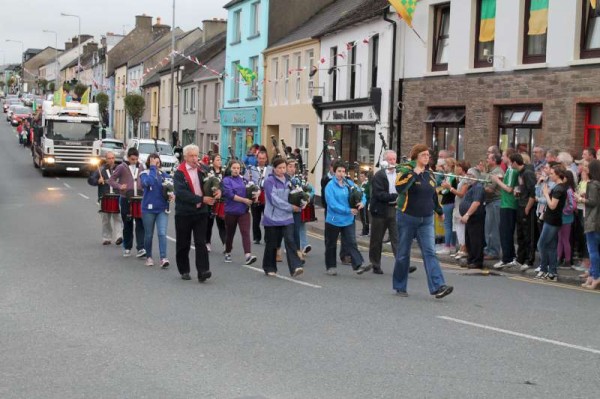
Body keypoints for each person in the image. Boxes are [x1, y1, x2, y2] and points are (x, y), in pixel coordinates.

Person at [393, 144, 454, 298]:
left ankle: (438, 286)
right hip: (407, 216)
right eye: (423, 155)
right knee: (403, 253)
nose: (427, 157)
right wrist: (414, 173)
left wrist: (439, 211)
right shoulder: (405, 169)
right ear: (416, 156)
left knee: (430, 252)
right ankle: (400, 286)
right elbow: (399, 188)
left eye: (428, 155)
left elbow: (433, 195)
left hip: (426, 219)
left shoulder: (429, 173)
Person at [173, 144, 218, 282]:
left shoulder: (203, 168)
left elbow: (214, 181)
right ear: (185, 157)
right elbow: (181, 194)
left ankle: (203, 271)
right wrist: (201, 199)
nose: (194, 158)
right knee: (183, 243)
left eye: (195, 155)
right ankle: (184, 270)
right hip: (184, 213)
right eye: (191, 156)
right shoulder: (179, 172)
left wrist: (217, 189)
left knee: (200, 242)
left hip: (200, 212)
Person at [368, 150, 417, 275]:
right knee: (376, 239)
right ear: (385, 161)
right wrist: (395, 196)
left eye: (394, 159)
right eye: (390, 159)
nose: (392, 162)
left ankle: (403, 265)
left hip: (394, 209)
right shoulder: (379, 175)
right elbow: (379, 194)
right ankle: (375, 264)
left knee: (398, 239)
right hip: (380, 210)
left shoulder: (400, 174)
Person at [324, 161, 371, 276]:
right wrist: (348, 210)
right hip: (334, 220)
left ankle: (358, 265)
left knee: (351, 242)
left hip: (348, 220)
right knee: (331, 244)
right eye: (339, 171)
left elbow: (362, 193)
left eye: (343, 171)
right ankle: (331, 267)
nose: (341, 174)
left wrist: (363, 203)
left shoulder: (349, 183)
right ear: (334, 172)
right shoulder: (330, 186)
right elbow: (332, 204)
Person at [262, 158, 305, 277]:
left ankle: (296, 267)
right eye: (279, 168)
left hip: (287, 218)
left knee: (290, 241)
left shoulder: (290, 180)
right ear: (274, 169)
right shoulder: (269, 181)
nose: (282, 170)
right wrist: (291, 207)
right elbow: (274, 200)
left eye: (284, 168)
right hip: (272, 218)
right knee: (272, 244)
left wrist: (302, 202)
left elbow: (297, 194)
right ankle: (269, 267)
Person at [108, 147, 146, 257]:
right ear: (128, 158)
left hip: (138, 198)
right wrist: (120, 186)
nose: (135, 161)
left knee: (140, 223)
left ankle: (141, 248)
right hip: (125, 198)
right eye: (132, 159)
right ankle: (127, 247)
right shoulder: (121, 167)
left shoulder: (141, 167)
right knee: (127, 223)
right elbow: (111, 180)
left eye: (136, 159)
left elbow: (144, 180)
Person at [222, 160, 258, 265]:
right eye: (234, 168)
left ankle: (248, 255)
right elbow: (230, 195)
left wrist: (255, 195)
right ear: (230, 169)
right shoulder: (226, 180)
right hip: (231, 211)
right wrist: (244, 200)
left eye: (238, 168)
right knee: (230, 234)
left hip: (244, 211)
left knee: (245, 232)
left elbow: (254, 188)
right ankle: (228, 252)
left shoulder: (244, 180)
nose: (236, 170)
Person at [536, 164, 568, 280]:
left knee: (541, 244)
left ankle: (544, 269)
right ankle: (552, 273)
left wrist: (545, 194)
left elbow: (552, 205)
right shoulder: (558, 186)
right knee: (551, 246)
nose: (551, 175)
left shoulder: (559, 188)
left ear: (558, 175)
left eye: (552, 174)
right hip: (553, 219)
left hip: (552, 220)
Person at [139, 153, 171, 268]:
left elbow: (171, 188)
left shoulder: (165, 175)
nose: (157, 165)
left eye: (158, 163)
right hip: (148, 209)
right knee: (149, 235)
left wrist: (173, 195)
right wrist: (152, 168)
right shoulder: (144, 174)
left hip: (162, 208)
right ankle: (149, 257)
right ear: (149, 163)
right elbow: (148, 183)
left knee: (162, 233)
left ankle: (163, 258)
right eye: (154, 163)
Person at [491, 148, 519, 269]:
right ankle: (509, 256)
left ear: (509, 157)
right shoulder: (508, 170)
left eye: (503, 155)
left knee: (506, 232)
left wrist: (497, 181)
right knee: (505, 232)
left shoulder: (512, 170)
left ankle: (507, 258)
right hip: (506, 204)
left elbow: (509, 188)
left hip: (509, 204)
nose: (502, 158)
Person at [87, 151, 123, 246]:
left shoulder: (119, 169)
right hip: (104, 197)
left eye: (112, 158)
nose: (111, 160)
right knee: (106, 219)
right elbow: (90, 180)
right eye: (109, 158)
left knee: (118, 218)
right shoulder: (101, 169)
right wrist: (98, 181)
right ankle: (107, 238)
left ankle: (119, 237)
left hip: (116, 197)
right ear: (106, 159)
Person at [576, 159, 600, 289]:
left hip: (592, 220)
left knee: (593, 251)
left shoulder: (592, 184)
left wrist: (580, 199)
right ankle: (591, 276)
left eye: (588, 168)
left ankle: (596, 277)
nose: (586, 170)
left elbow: (593, 202)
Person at [510, 153, 537, 270]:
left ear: (515, 163)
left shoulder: (528, 173)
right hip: (520, 204)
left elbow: (533, 192)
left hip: (527, 207)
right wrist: (518, 192)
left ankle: (529, 260)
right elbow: (523, 188)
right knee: (520, 233)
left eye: (511, 163)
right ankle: (520, 258)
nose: (510, 165)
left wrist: (528, 207)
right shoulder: (520, 173)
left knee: (528, 234)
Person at [459, 168, 486, 269]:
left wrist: (467, 215)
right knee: (469, 239)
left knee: (476, 240)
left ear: (475, 176)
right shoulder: (471, 187)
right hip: (470, 218)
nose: (467, 176)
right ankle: (471, 259)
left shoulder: (478, 187)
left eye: (470, 174)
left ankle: (477, 261)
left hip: (475, 217)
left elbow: (476, 202)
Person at [483, 153, 503, 261]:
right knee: (488, 228)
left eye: (488, 158)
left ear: (494, 160)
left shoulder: (498, 172)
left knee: (493, 228)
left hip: (495, 202)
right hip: (490, 202)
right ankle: (488, 249)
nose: (486, 160)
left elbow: (490, 189)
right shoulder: (491, 172)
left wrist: (480, 187)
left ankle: (493, 251)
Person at [247, 150, 269, 245]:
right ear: (257, 158)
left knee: (267, 218)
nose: (261, 160)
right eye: (260, 158)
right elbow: (246, 181)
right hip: (255, 195)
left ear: (266, 159)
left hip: (267, 196)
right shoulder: (251, 169)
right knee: (256, 218)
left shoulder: (270, 169)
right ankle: (257, 237)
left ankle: (267, 238)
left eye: (263, 158)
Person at [205, 154, 227, 252]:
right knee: (209, 224)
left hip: (221, 201)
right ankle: (207, 242)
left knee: (222, 223)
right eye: (217, 160)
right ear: (212, 161)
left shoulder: (224, 172)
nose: (219, 161)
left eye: (220, 160)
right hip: (211, 201)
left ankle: (226, 244)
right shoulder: (208, 172)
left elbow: (225, 184)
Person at [450, 161, 470, 260]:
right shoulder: (460, 179)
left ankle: (464, 249)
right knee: (458, 227)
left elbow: (462, 194)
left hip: (462, 207)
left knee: (462, 228)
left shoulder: (466, 179)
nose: (455, 169)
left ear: (462, 168)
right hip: (457, 206)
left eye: (457, 167)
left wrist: (450, 188)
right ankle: (461, 248)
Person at [557, 170, 576, 268]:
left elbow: (573, 206)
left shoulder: (568, 190)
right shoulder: (564, 188)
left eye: (562, 177)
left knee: (564, 239)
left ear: (566, 178)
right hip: (561, 217)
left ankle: (567, 260)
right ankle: (558, 258)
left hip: (566, 218)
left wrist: (563, 210)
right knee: (560, 239)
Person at [438, 158, 457, 255]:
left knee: (447, 225)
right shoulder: (454, 176)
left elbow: (446, 190)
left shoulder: (450, 176)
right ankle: (453, 245)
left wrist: (440, 190)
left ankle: (447, 247)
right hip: (453, 201)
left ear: (449, 166)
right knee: (452, 225)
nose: (443, 167)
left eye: (445, 165)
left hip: (447, 202)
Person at [358, 170, 371, 237]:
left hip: (365, 203)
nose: (361, 177)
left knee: (365, 217)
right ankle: (364, 230)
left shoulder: (367, 184)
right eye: (360, 176)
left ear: (366, 177)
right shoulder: (362, 184)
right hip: (361, 203)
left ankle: (365, 231)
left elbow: (367, 194)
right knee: (362, 217)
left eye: (362, 176)